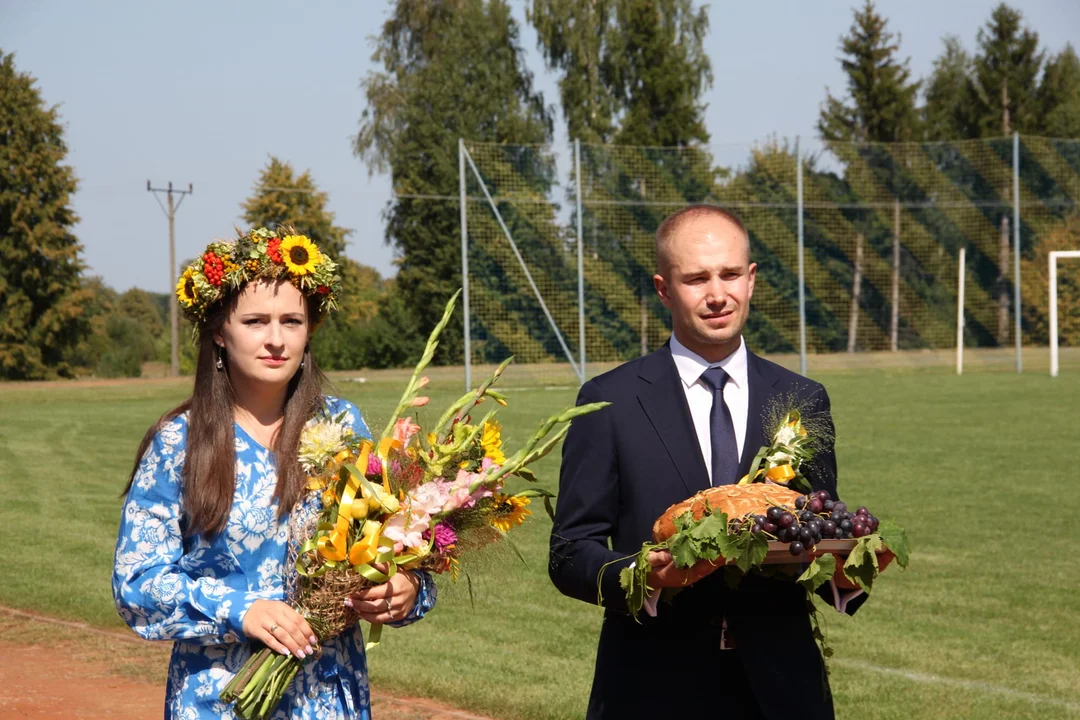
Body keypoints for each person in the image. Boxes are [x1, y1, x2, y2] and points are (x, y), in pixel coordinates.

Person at [549, 205, 876, 720]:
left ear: (751, 280)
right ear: (663, 289)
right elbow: (570, 553)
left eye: (729, 274)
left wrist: (848, 572)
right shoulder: (608, 402)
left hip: (782, 692)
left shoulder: (802, 398)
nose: (717, 294)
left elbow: (818, 524)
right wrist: (642, 577)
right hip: (651, 689)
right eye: (696, 278)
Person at [112, 228, 436, 719]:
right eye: (256, 321)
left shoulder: (342, 426)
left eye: (292, 321)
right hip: (220, 701)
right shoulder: (179, 441)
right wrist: (239, 610)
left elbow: (401, 542)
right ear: (220, 331)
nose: (276, 339)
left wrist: (406, 589)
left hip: (327, 699)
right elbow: (135, 583)